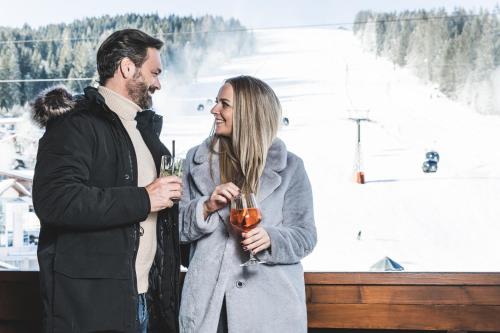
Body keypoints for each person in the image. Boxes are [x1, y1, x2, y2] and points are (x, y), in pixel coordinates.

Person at [32, 29, 182, 333]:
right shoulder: (75, 123)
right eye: (154, 72)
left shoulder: (145, 132)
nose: (158, 83)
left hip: (145, 301)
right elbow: (55, 200)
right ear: (127, 68)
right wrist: (144, 199)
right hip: (93, 307)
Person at [179, 75, 317, 332]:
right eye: (216, 102)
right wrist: (205, 207)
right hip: (208, 309)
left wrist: (271, 239)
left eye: (224, 104)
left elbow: (305, 236)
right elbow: (172, 231)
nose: (214, 110)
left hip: (269, 311)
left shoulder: (291, 168)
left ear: (248, 112)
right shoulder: (195, 161)